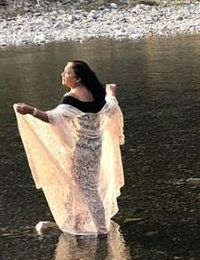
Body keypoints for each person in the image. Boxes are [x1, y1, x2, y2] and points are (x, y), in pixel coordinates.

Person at [13, 61, 125, 235]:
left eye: (67, 72)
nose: (62, 75)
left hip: (81, 152)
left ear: (78, 78)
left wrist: (30, 110)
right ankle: (75, 221)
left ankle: (101, 230)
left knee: (88, 190)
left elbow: (52, 117)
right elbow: (111, 107)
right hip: (96, 150)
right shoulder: (96, 94)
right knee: (81, 186)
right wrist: (111, 92)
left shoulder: (71, 97)